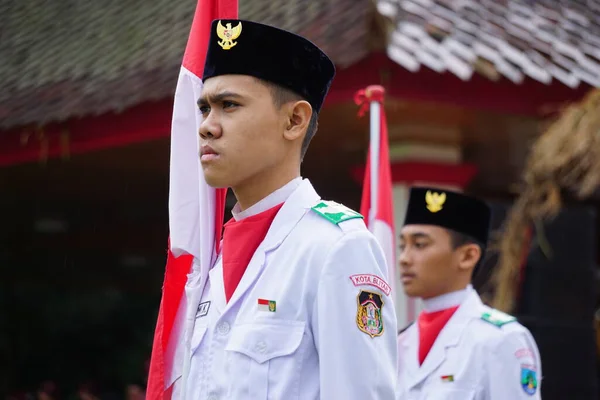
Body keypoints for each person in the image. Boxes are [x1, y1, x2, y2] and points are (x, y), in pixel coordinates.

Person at [171, 19, 398, 399]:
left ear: (294, 120)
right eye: (204, 108)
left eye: (229, 105)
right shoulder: (209, 255)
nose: (207, 126)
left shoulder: (335, 248)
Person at [395, 186, 542, 399]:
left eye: (419, 244)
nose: (404, 258)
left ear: (467, 256)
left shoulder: (500, 339)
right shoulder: (400, 343)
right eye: (402, 246)